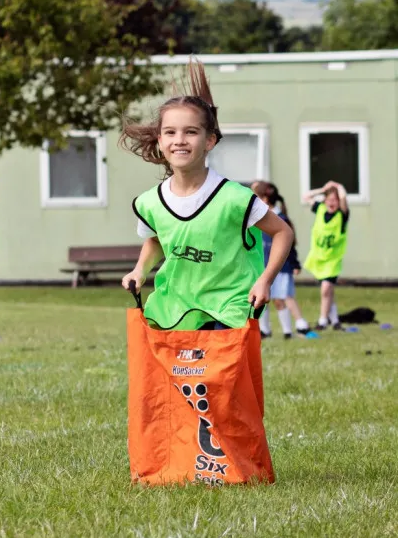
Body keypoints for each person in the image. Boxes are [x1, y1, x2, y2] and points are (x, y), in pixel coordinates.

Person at [119, 60, 294, 331]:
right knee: (184, 376)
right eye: (170, 132)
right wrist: (140, 270)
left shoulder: (235, 198)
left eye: (191, 132)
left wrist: (265, 280)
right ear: (160, 141)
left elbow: (283, 232)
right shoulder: (150, 203)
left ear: (209, 141)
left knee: (218, 376)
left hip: (230, 307)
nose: (179, 140)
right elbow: (157, 239)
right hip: (178, 309)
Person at [252, 181, 311, 338]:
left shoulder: (280, 218)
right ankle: (264, 330)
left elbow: (289, 244)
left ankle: (289, 330)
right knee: (260, 299)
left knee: (281, 298)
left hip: (282, 268)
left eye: (254, 195)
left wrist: (295, 263)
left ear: (264, 199)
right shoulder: (256, 218)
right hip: (262, 267)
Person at [302, 180, 349, 331]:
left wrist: (338, 186)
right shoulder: (320, 209)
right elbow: (306, 196)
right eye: (329, 199)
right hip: (319, 258)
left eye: (335, 200)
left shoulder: (342, 215)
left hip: (332, 259)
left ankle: (323, 320)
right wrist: (322, 189)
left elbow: (343, 199)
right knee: (328, 291)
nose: (331, 203)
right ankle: (335, 321)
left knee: (325, 288)